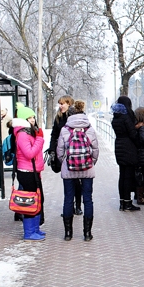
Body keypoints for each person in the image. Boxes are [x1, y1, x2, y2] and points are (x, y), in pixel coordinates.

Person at [57, 102, 99, 241]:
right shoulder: (89, 129)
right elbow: (95, 150)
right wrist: (91, 162)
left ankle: (68, 234)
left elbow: (60, 151)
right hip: (87, 168)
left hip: (69, 169)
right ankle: (87, 233)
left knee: (68, 198)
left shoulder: (64, 129)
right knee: (88, 199)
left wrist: (65, 162)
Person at [12, 103, 46, 241]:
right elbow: (29, 153)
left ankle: (35, 228)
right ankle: (29, 232)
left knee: (38, 199)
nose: (32, 120)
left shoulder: (29, 132)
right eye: (29, 118)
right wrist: (39, 140)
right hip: (26, 172)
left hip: (33, 171)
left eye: (33, 117)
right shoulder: (22, 134)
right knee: (30, 201)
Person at [49, 95, 82, 216]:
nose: (60, 106)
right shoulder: (58, 117)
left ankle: (78, 205)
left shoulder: (74, 117)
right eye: (59, 103)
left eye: (62, 103)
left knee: (77, 181)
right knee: (67, 180)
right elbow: (54, 134)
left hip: (75, 151)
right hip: (63, 153)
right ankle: (69, 206)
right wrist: (52, 150)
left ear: (69, 104)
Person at [111, 96, 141, 211]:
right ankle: (128, 203)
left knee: (122, 176)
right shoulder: (126, 117)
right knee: (128, 176)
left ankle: (122, 203)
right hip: (128, 148)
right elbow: (132, 134)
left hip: (119, 146)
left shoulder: (115, 118)